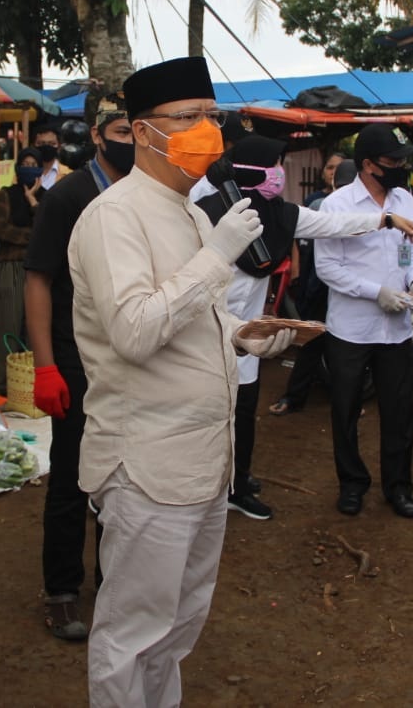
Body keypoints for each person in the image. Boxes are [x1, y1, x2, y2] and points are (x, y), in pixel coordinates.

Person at [68, 56, 295, 705]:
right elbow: (136, 330)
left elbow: (198, 321)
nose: (208, 131)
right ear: (141, 131)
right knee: (132, 632)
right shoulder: (117, 217)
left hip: (204, 459)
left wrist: (248, 335)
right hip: (147, 464)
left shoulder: (194, 214)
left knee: (178, 628)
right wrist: (217, 257)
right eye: (188, 118)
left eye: (213, 116)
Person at [192, 136, 391, 520]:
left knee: (245, 414)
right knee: (209, 417)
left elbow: (336, 224)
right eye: (274, 163)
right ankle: (209, 487)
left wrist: (383, 219)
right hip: (206, 339)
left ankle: (237, 481)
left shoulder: (281, 215)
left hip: (250, 340)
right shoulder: (204, 213)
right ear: (251, 168)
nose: (279, 171)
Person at [25, 93, 131, 641]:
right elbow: (38, 279)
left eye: (137, 128)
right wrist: (46, 366)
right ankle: (62, 590)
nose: (129, 140)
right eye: (118, 128)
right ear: (96, 134)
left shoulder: (150, 195)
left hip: (134, 360)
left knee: (124, 478)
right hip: (75, 359)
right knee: (71, 476)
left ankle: (114, 582)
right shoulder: (68, 196)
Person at [314, 123, 413, 518]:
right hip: (351, 327)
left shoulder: (404, 199)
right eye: (391, 161)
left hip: (396, 330)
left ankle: (399, 486)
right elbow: (327, 267)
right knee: (345, 407)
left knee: (399, 410)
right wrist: (375, 292)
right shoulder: (337, 206)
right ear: (367, 164)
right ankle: (352, 484)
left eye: (401, 160)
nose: (399, 167)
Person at [268, 153, 351, 417]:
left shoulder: (361, 206)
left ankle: (349, 400)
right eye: (330, 168)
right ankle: (294, 397)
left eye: (338, 169)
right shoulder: (315, 202)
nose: (333, 173)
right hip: (315, 282)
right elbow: (298, 235)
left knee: (345, 347)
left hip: (348, 287)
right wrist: (296, 267)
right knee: (312, 338)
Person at [0, 146, 44, 394]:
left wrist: (34, 202)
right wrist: (32, 238)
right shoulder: (6, 194)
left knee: (36, 329)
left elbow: (48, 231)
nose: (29, 167)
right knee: (8, 327)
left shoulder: (46, 197)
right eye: (26, 163)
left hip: (39, 270)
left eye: (34, 163)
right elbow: (1, 229)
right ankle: (5, 387)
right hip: (11, 266)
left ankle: (32, 387)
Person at [32, 122, 68, 189]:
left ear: (59, 147)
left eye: (51, 144)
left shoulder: (68, 175)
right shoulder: (23, 172)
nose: (46, 147)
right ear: (33, 146)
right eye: (41, 143)